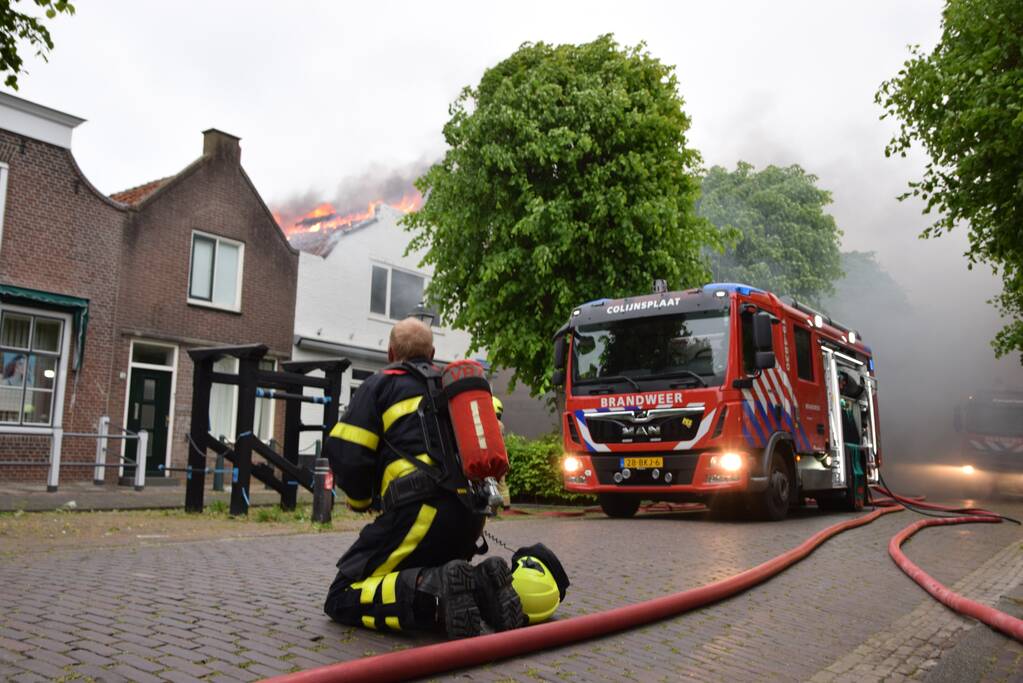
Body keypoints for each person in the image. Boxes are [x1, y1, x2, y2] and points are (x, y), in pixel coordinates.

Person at [322, 318, 525, 638]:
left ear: (390, 353)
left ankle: (432, 596)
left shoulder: (381, 384)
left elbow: (348, 453)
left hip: (418, 513)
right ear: (432, 352)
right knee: (424, 567)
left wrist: (360, 501)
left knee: (342, 594)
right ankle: (483, 583)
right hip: (470, 517)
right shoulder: (452, 388)